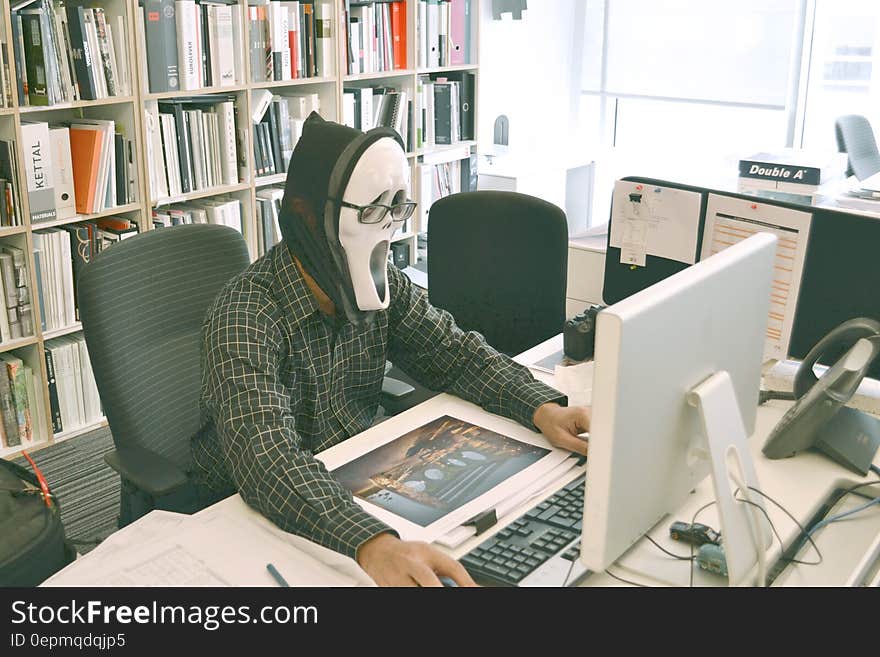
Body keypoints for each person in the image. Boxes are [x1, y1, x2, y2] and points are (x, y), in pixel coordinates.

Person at [191, 113, 590, 587]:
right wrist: (373, 544)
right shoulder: (246, 314)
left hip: (353, 482)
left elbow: (454, 353)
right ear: (307, 214)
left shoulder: (383, 289)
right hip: (249, 515)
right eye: (372, 210)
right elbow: (267, 460)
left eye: (395, 207)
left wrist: (540, 407)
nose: (389, 229)